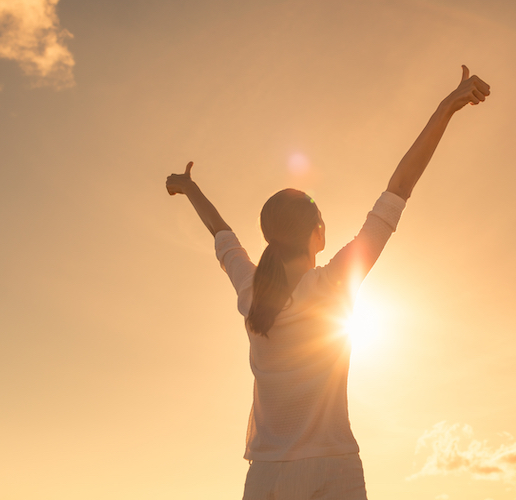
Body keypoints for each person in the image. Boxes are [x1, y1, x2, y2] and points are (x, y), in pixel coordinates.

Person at [166, 65, 490, 500]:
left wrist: (190, 189)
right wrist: (446, 107)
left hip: (265, 475)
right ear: (316, 233)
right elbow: (399, 188)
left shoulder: (251, 290)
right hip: (330, 469)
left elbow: (222, 233)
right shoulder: (335, 281)